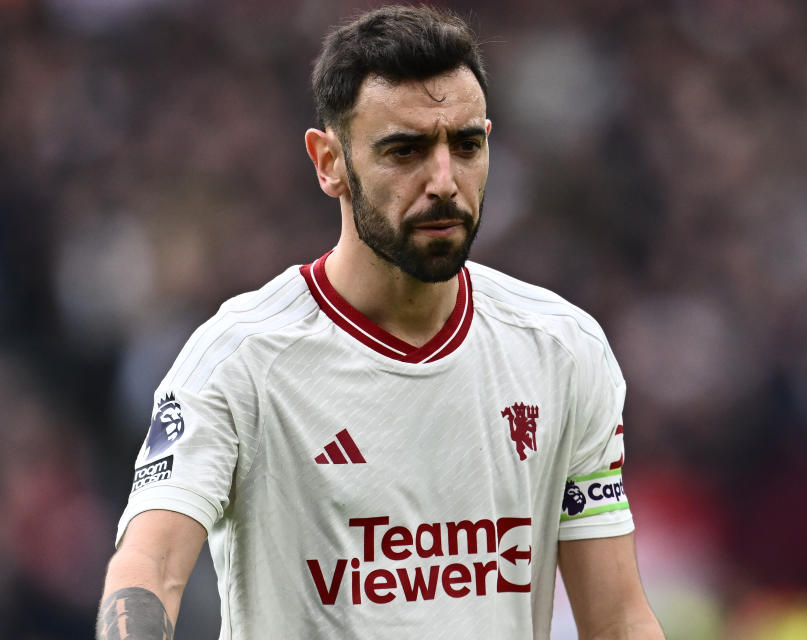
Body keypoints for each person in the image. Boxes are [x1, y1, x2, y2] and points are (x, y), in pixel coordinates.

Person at [96, 6, 665, 639]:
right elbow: (149, 566)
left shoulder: (564, 351)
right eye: (406, 150)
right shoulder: (241, 360)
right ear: (329, 161)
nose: (444, 181)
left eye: (467, 145)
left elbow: (616, 619)